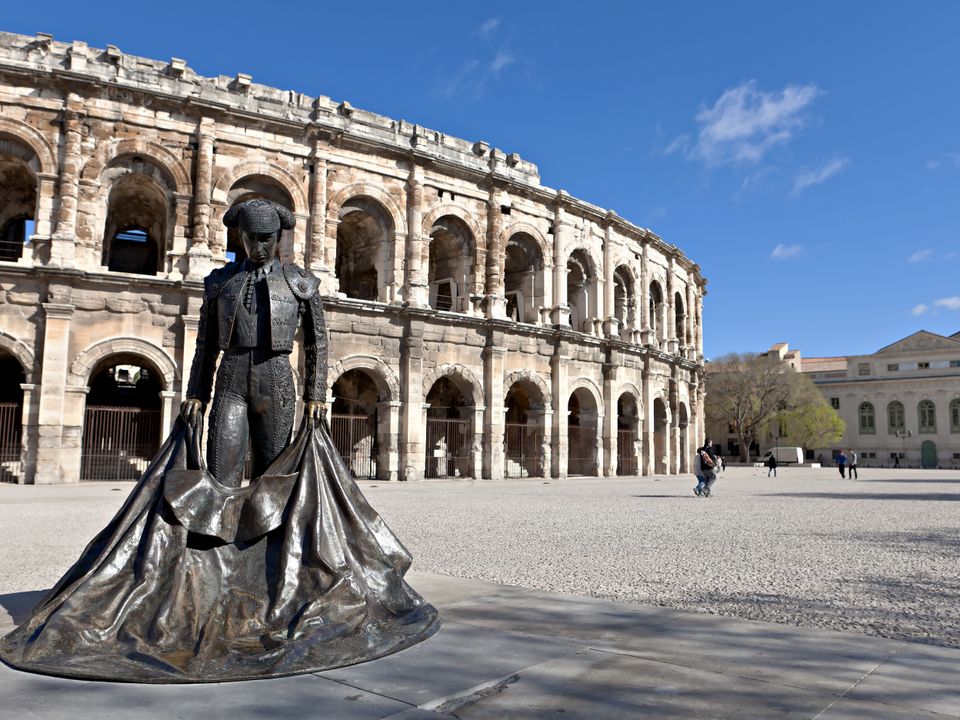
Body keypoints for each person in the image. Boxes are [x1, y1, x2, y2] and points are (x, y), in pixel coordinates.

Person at [0, 200, 439, 683]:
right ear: (240, 238)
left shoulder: (302, 283)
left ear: (281, 237)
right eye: (252, 238)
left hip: (276, 377)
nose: (260, 246)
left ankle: (275, 577)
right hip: (231, 379)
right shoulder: (219, 283)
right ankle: (214, 582)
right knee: (220, 474)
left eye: (268, 238)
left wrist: (316, 396)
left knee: (277, 481)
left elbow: (318, 343)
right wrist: (194, 394)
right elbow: (206, 344)